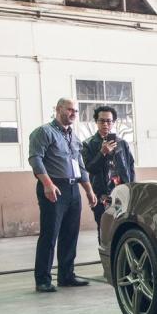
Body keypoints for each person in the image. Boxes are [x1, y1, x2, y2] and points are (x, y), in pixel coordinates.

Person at [28, 98, 98, 293]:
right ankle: (42, 279)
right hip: (54, 188)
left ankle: (66, 276)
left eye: (75, 110)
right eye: (69, 109)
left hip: (73, 189)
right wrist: (47, 184)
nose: (74, 113)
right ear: (58, 109)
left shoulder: (74, 138)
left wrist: (89, 190)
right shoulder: (44, 132)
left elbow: (81, 166)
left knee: (70, 234)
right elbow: (35, 159)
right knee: (50, 235)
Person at [82, 106, 135, 239]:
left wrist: (132, 188)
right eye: (102, 121)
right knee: (104, 228)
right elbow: (90, 168)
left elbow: (130, 166)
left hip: (122, 193)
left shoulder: (122, 143)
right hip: (101, 195)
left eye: (109, 121)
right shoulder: (88, 144)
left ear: (113, 122)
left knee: (123, 227)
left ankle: (118, 259)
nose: (106, 124)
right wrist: (102, 153)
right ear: (96, 122)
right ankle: (105, 259)